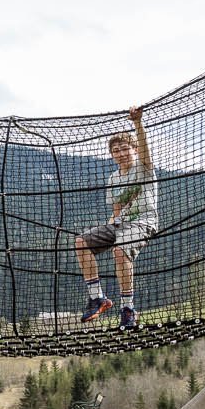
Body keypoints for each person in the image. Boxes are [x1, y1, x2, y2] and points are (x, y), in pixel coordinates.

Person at [75, 107, 156, 330]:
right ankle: (97, 297)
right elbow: (118, 210)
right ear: (112, 155)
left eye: (124, 149)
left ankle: (128, 308)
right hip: (120, 224)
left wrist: (138, 123)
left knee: (120, 251)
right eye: (116, 150)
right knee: (82, 241)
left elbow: (145, 150)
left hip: (143, 222)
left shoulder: (143, 168)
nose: (120, 153)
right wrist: (109, 228)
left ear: (133, 149)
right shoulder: (113, 179)